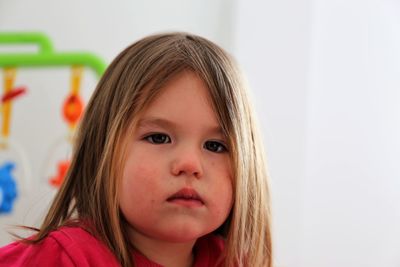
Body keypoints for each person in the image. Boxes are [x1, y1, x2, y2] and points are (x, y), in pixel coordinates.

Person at [0, 32, 272, 267]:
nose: (190, 163)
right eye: (158, 138)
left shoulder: (233, 262)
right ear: (102, 151)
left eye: (215, 145)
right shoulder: (61, 259)